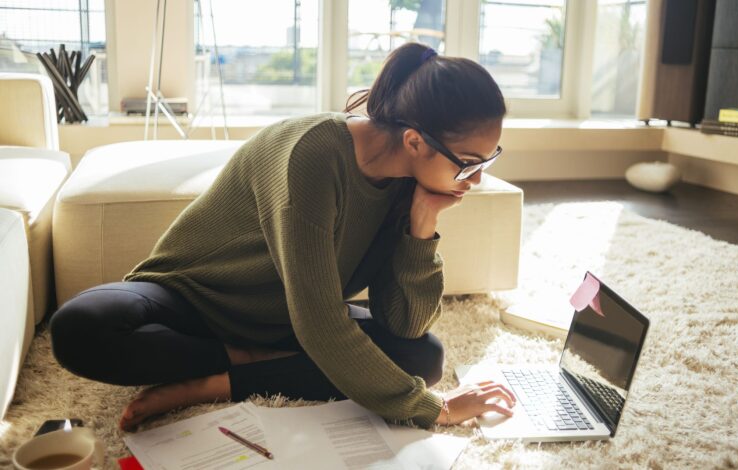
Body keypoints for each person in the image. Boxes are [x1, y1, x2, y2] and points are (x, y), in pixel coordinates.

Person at [49, 42, 516, 432]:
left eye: (487, 161)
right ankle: (250, 361)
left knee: (424, 355)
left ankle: (219, 381)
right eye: (468, 163)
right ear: (415, 141)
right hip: (195, 299)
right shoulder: (312, 154)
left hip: (289, 320)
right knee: (80, 328)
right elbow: (321, 325)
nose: (474, 180)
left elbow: (404, 325)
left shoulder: (410, 187)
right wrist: (438, 409)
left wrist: (421, 227)